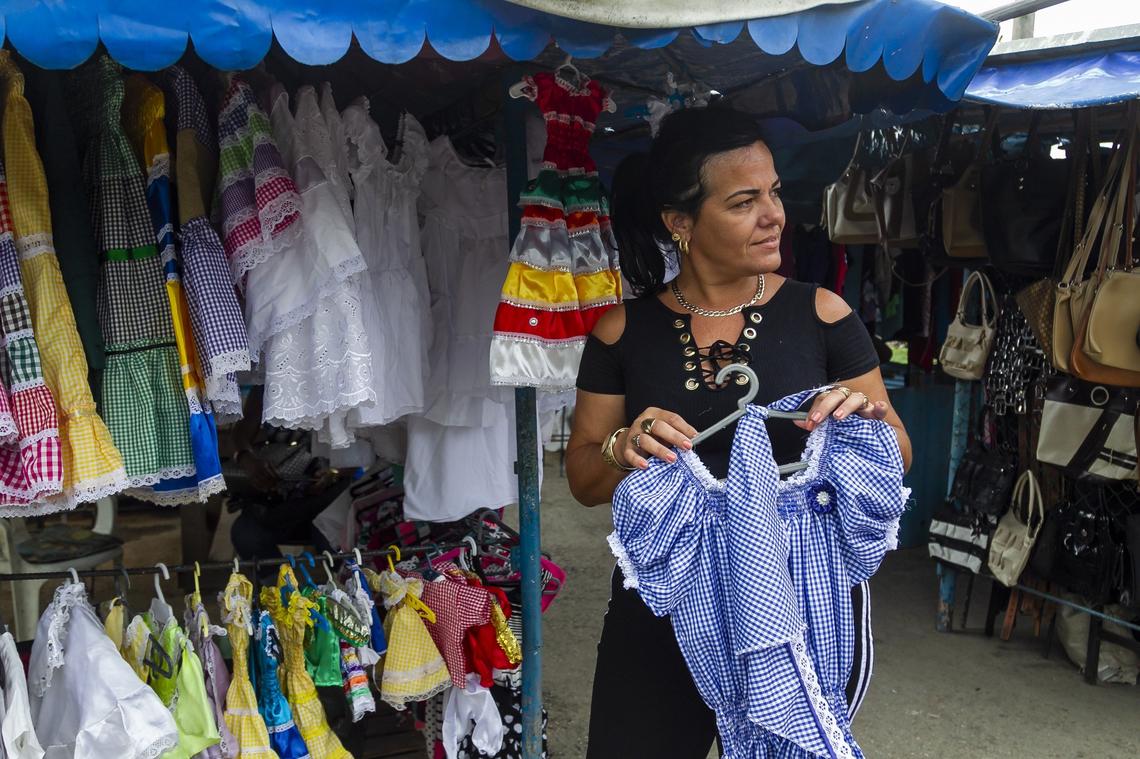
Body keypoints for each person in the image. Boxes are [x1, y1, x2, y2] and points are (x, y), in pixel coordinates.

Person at [565, 107, 912, 758]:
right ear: (681, 222)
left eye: (775, 192)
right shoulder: (621, 332)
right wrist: (620, 446)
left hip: (798, 597)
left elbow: (898, 449)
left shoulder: (823, 314)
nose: (774, 214)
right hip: (663, 607)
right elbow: (583, 477)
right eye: (745, 201)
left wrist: (864, 421)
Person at [227, 385, 348, 572]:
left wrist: (335, 473)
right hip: (280, 496)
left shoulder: (342, 378)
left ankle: (344, 588)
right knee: (246, 534)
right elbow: (243, 429)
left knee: (330, 534)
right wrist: (246, 458)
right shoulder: (271, 378)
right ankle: (279, 590)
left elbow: (367, 450)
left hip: (329, 497)